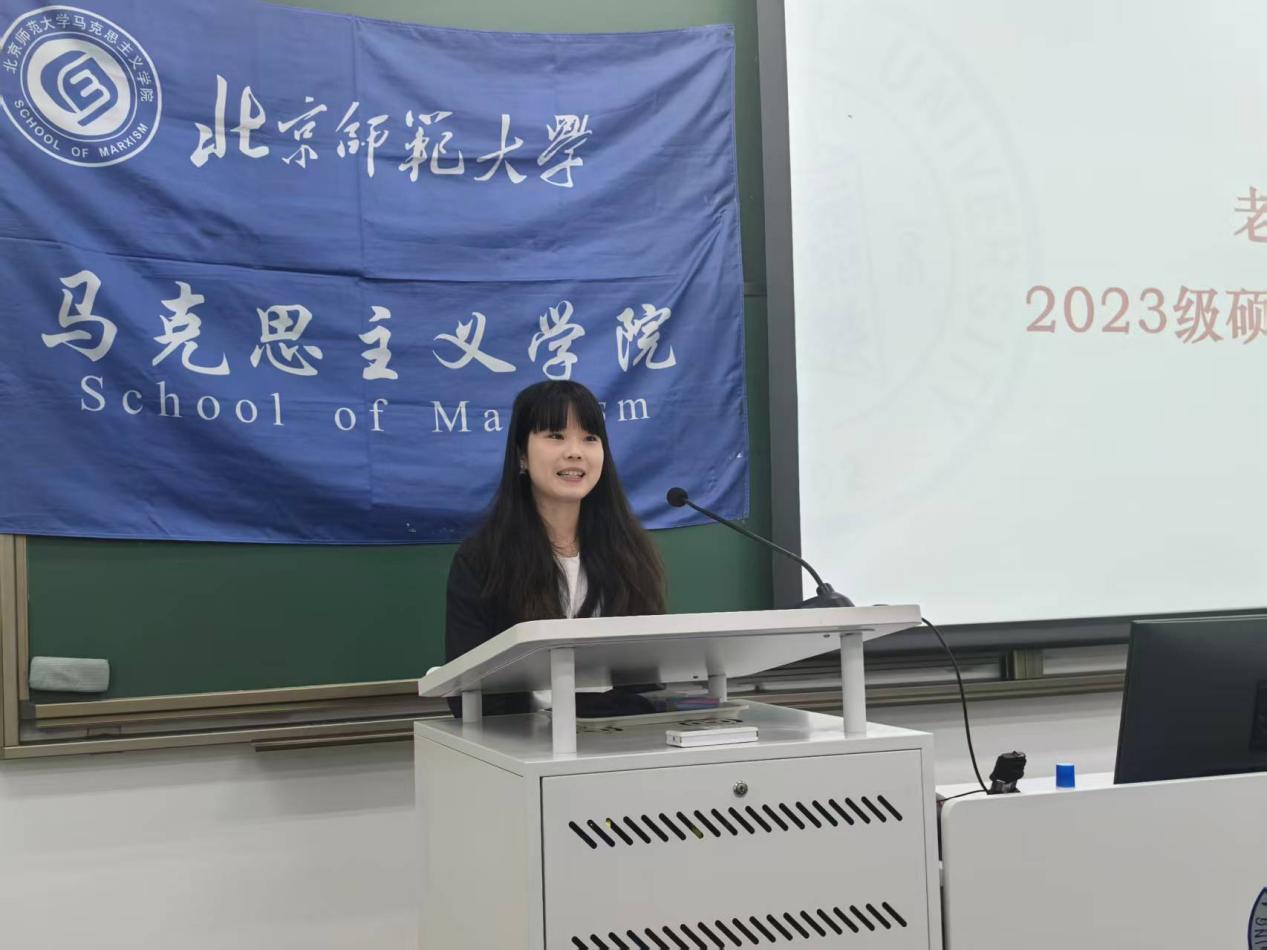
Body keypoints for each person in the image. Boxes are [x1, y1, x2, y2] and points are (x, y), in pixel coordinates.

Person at [444, 380, 666, 716]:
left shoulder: (630, 553)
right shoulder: (482, 559)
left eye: (590, 438)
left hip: (618, 735)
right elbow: (469, 690)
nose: (575, 452)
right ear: (521, 455)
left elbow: (647, 677)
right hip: (520, 738)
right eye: (556, 436)